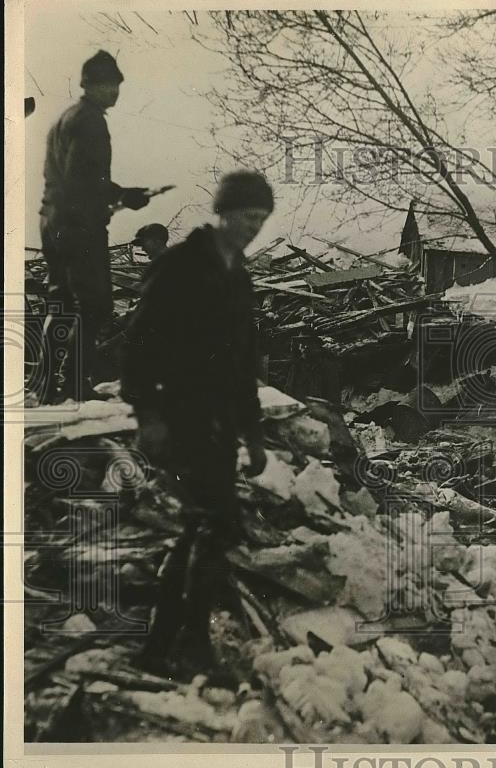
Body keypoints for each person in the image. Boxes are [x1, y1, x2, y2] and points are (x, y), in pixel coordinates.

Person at [121, 170, 273, 677]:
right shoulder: (182, 266)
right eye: (246, 215)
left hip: (220, 424)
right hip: (181, 416)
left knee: (206, 526)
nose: (253, 226)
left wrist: (252, 436)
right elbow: (138, 345)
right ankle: (174, 644)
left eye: (261, 218)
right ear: (223, 213)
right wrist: (149, 417)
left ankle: (172, 643)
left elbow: (244, 363)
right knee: (210, 521)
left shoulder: (239, 275)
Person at [38, 50, 152, 402]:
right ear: (89, 85)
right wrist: (125, 195)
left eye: (116, 83)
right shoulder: (90, 121)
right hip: (78, 226)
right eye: (107, 84)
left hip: (52, 219)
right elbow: (83, 180)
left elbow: (75, 179)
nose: (114, 90)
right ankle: (73, 385)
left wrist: (114, 195)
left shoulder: (65, 118)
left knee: (60, 300)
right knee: (95, 306)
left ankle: (43, 386)